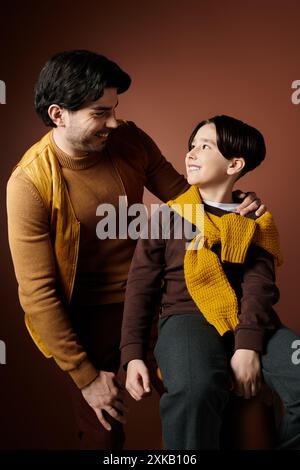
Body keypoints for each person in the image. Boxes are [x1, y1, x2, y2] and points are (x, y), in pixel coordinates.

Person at [6, 50, 265, 450]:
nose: (113, 121)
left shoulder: (128, 138)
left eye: (114, 108)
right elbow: (37, 296)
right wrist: (87, 378)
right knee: (102, 437)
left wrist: (235, 206)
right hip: (87, 322)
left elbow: (187, 200)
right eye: (99, 112)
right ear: (58, 114)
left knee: (205, 398)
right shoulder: (28, 184)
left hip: (156, 299)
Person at [121, 115, 300, 450]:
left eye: (204, 146)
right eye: (191, 146)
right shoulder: (165, 217)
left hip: (251, 319)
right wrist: (132, 355)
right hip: (185, 318)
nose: (191, 153)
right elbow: (139, 289)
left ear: (234, 164)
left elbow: (259, 287)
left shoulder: (255, 220)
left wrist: (248, 346)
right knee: (195, 389)